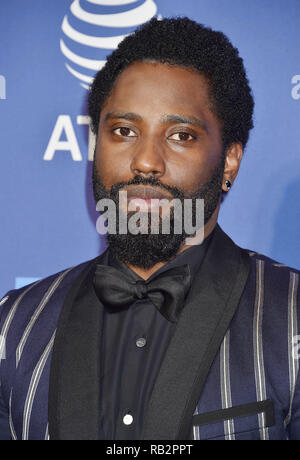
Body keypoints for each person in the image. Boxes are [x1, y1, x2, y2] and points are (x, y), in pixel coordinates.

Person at [0, 17, 299, 441]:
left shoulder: (291, 317)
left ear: (229, 161)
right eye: (124, 131)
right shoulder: (14, 327)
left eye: (180, 135)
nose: (145, 161)